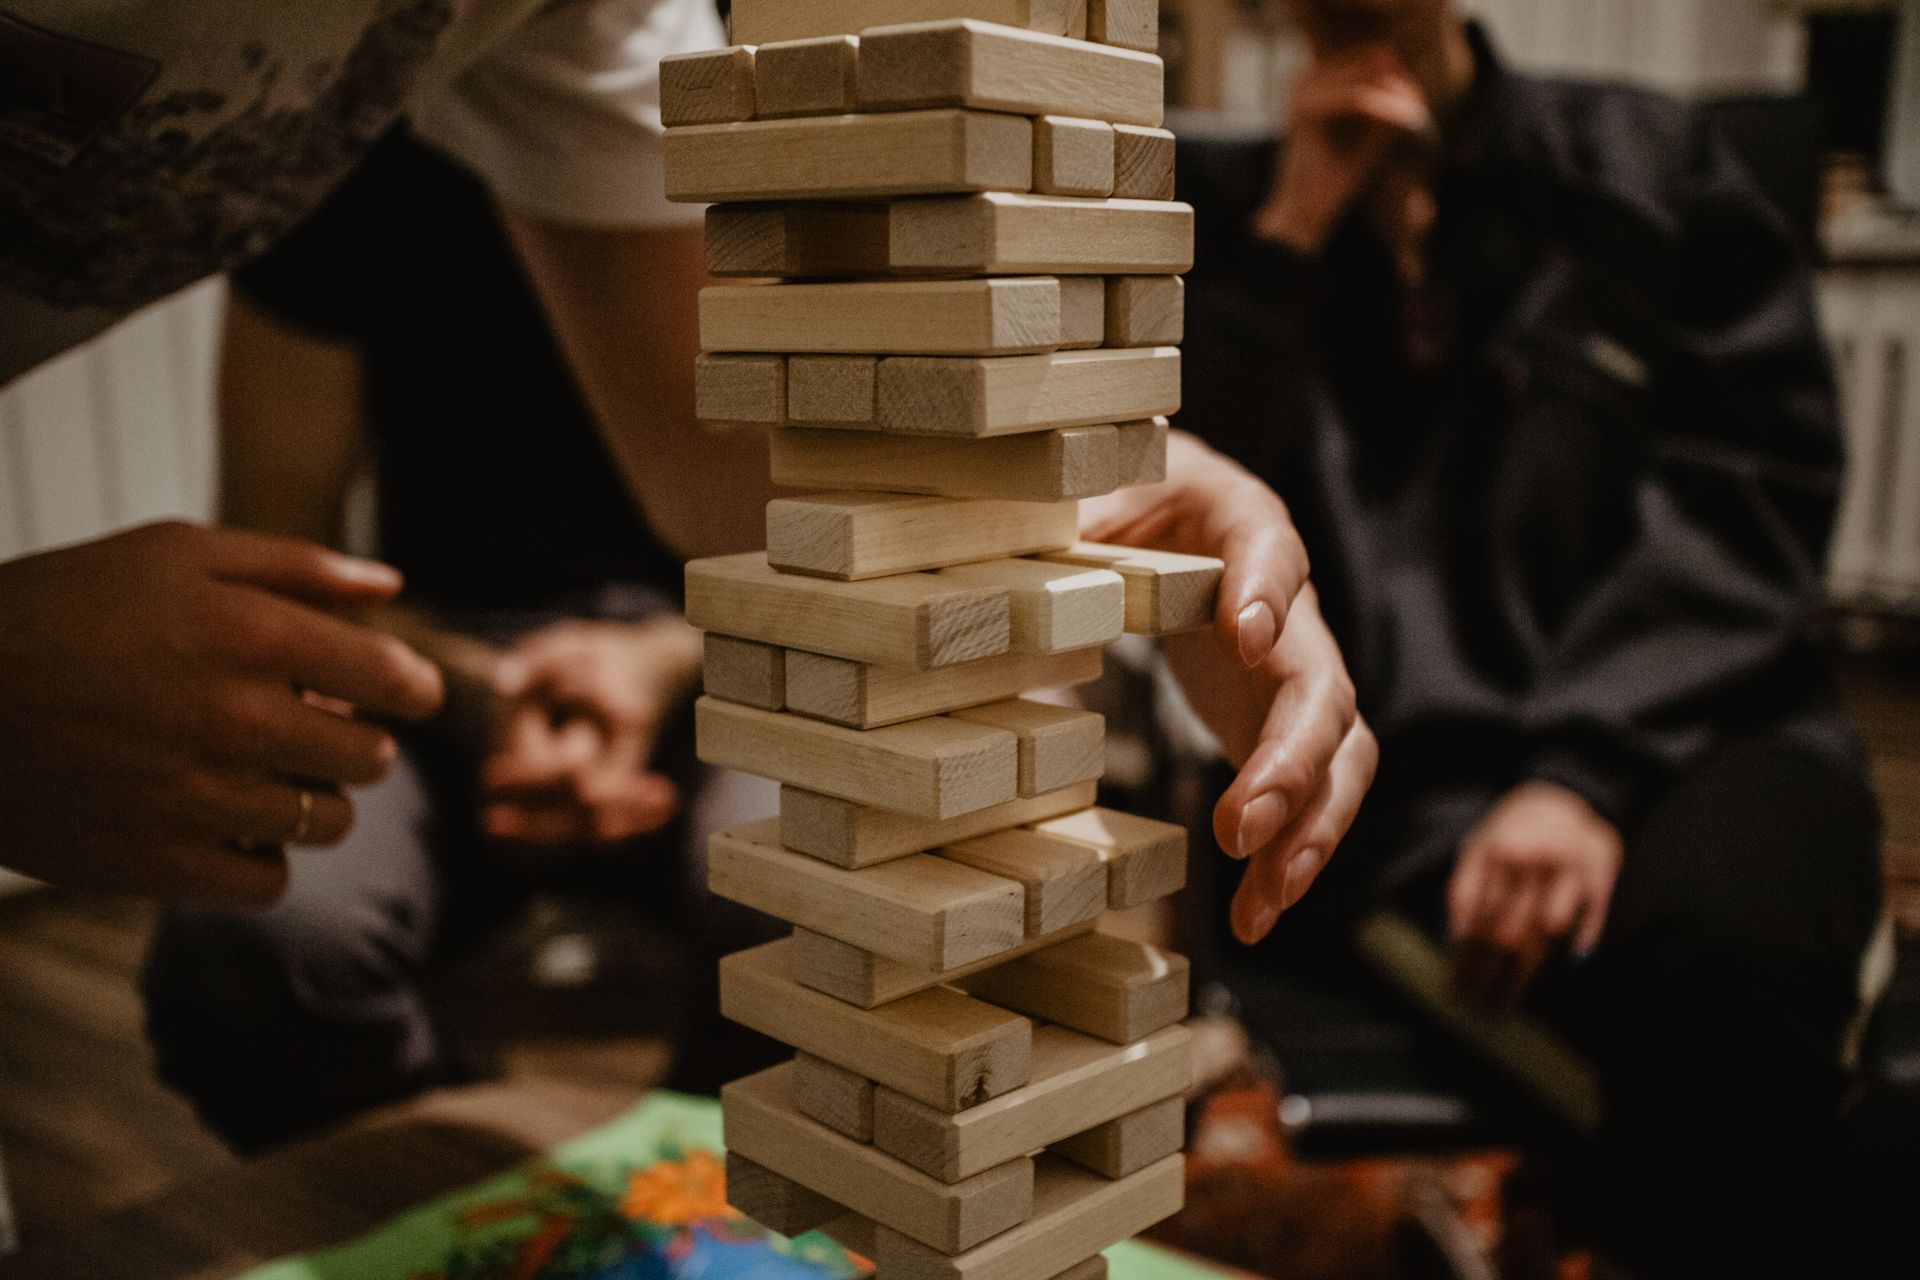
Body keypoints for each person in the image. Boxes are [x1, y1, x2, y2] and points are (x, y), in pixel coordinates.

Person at [0, 0, 1372, 939]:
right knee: (272, 929)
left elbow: (732, 451)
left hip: (682, 655)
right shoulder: (368, 207)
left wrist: (1125, 506)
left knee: (863, 880)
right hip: (459, 656)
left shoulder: (574, 30)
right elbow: (282, 547)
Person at [1177, 0, 1909, 1271]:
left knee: (1731, 966)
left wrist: (1580, 772)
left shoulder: (1646, 163)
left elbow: (1746, 489)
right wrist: (1294, 239)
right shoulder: (1232, 207)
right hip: (1408, 766)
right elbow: (1198, 520)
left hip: (1690, 711)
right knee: (1290, 880)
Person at [137, 127, 782, 1151]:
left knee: (829, 905)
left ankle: (706, 1196)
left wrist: (656, 659)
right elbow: (276, 544)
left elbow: (834, 537)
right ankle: (442, 1185)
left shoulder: (771, 125)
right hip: (437, 668)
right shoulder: (337, 165)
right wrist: (483, 688)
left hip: (743, 647)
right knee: (251, 936)